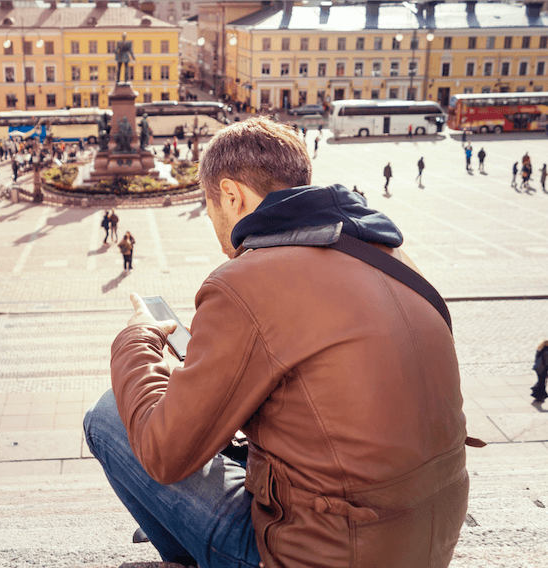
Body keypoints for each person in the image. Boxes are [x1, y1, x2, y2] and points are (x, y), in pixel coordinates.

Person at [84, 116, 471, 568]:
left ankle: (190, 555)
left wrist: (135, 339)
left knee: (110, 414)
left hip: (322, 555)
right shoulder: (391, 255)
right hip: (426, 541)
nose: (220, 240)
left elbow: (164, 454)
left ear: (231, 194)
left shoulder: (245, 278)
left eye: (212, 213)